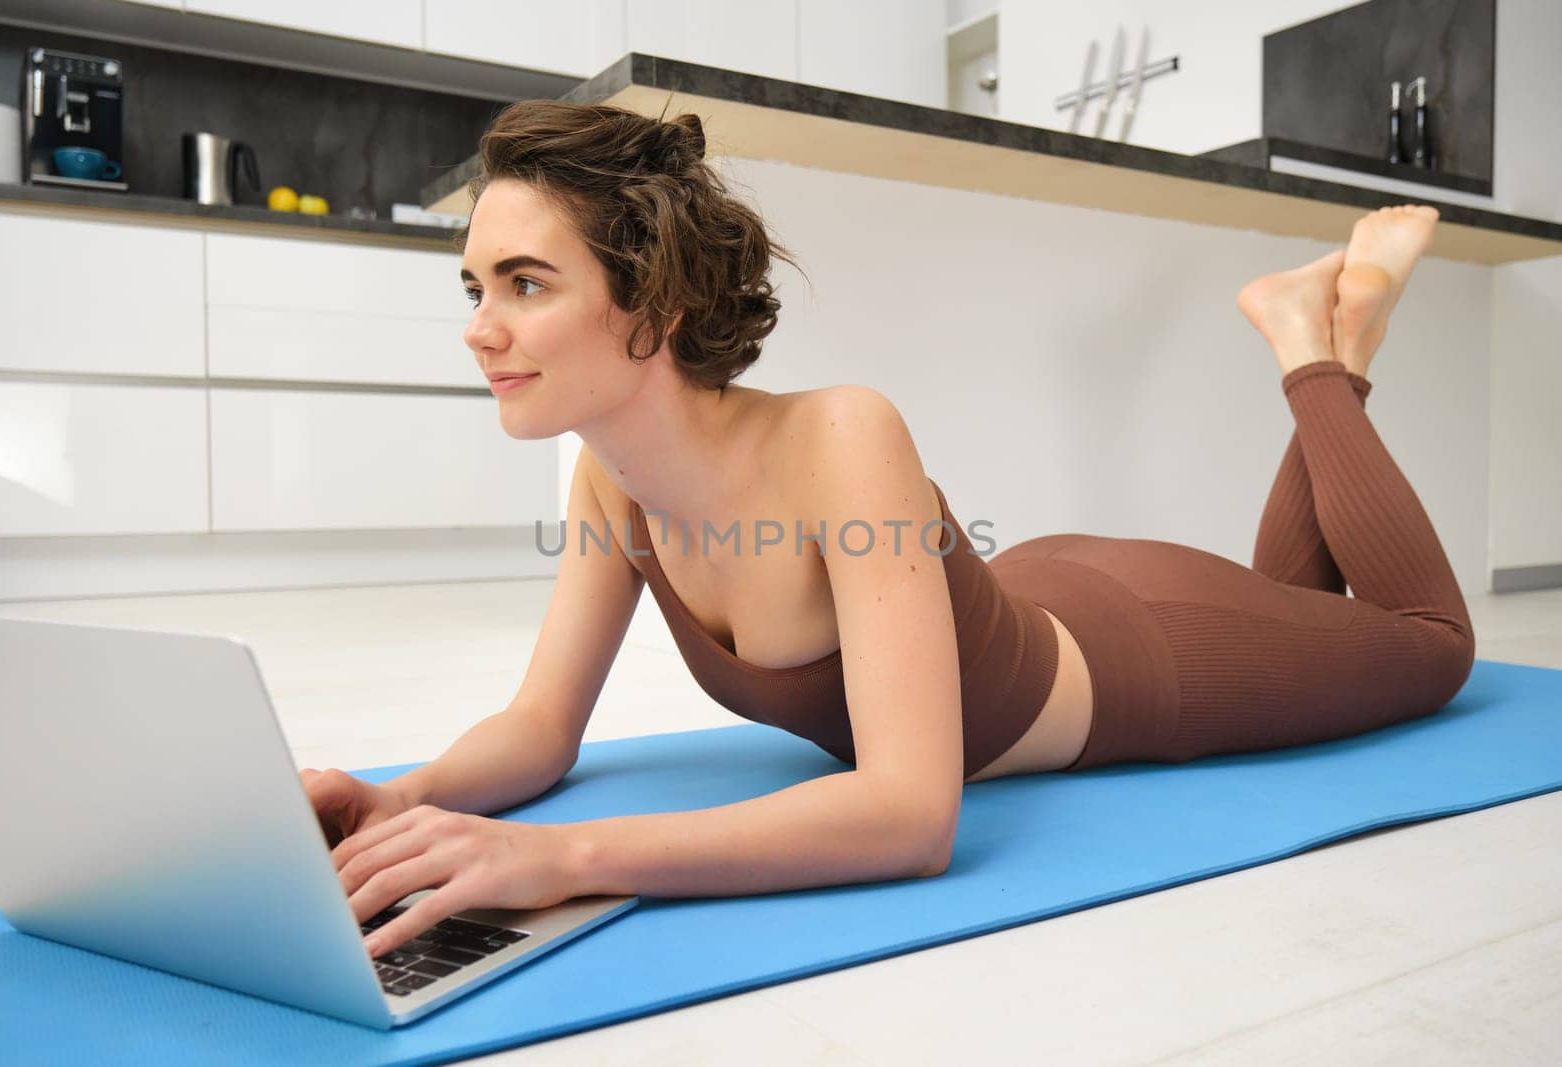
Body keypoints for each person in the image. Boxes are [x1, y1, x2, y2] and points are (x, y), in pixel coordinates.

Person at [302, 101, 1475, 961]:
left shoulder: (839, 434)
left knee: (1426, 641)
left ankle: (1314, 350)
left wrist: (565, 857)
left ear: (649, 303)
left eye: (524, 284)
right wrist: (403, 800)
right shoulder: (611, 485)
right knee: (1315, 617)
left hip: (1146, 652)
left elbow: (912, 814)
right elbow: (537, 728)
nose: (481, 328)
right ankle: (1340, 325)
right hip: (1034, 590)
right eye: (475, 289)